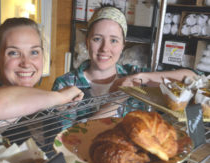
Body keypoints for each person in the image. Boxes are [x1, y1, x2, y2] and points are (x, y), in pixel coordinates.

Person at [52, 4, 197, 117]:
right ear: (87, 41)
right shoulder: (66, 84)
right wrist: (116, 99)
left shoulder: (132, 74)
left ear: (123, 45)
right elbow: (64, 141)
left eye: (114, 40)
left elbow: (192, 78)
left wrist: (143, 77)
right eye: (97, 39)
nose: (105, 48)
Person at [0, 17, 84, 130]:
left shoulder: (45, 106)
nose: (26, 63)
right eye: (14, 53)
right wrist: (59, 97)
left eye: (34, 52)